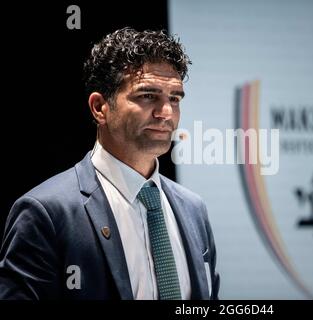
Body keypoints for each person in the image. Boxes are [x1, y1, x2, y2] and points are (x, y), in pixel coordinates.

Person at [0, 27, 219, 300]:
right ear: (99, 107)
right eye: (147, 96)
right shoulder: (45, 213)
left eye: (174, 99)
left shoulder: (194, 209)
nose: (166, 113)